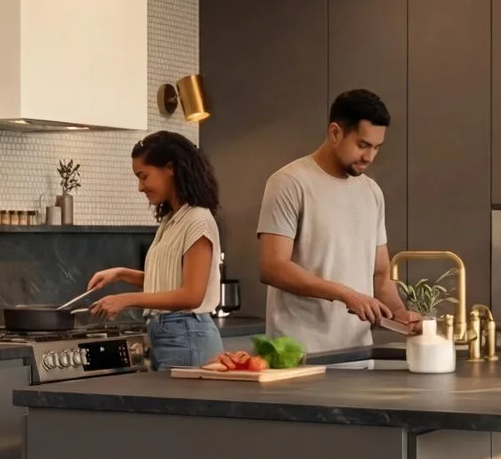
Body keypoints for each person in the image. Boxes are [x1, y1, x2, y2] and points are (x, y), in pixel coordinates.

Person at [256, 88, 421, 354]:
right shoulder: (288, 183)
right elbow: (273, 267)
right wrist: (345, 294)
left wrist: (401, 315)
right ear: (335, 132)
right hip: (298, 354)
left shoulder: (372, 192)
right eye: (362, 145)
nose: (369, 157)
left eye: (376, 147)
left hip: (357, 353)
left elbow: (380, 275)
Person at [85, 131, 226, 370]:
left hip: (188, 336)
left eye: (144, 176)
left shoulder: (198, 220)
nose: (140, 187)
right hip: (172, 336)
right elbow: (169, 283)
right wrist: (121, 274)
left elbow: (191, 295)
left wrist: (126, 300)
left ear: (170, 168)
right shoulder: (173, 220)